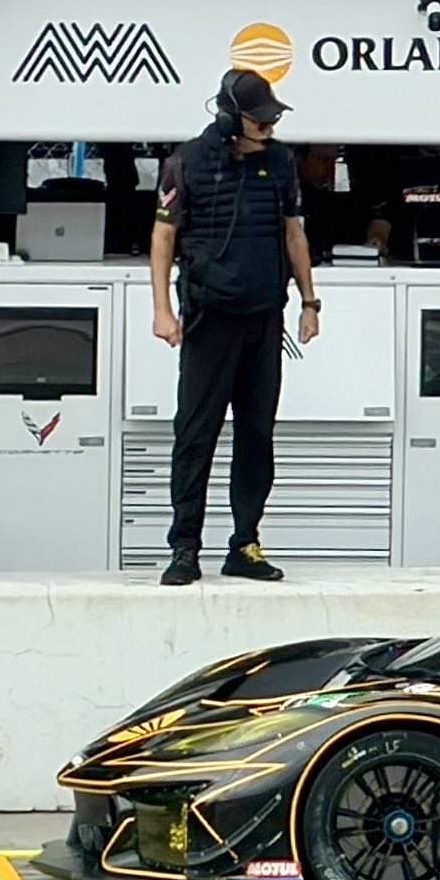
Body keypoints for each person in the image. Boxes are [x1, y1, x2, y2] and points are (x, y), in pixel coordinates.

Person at [152, 68, 320, 587]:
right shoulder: (187, 162)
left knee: (256, 435)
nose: (268, 126)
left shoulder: (281, 162)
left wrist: (310, 303)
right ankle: (185, 547)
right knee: (196, 434)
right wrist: (162, 310)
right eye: (259, 118)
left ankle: (244, 543)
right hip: (209, 318)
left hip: (264, 317)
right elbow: (162, 239)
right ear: (229, 117)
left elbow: (294, 235)